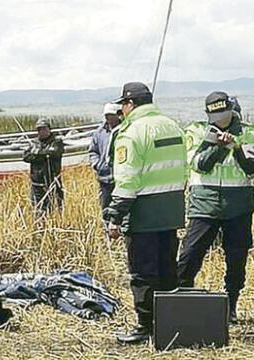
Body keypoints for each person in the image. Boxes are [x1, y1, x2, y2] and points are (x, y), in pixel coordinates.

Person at [102, 82, 187, 344]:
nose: (122, 111)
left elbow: (127, 182)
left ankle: (147, 327)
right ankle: (171, 323)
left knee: (143, 273)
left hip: (144, 215)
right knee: (167, 270)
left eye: (123, 105)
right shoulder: (172, 125)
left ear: (130, 104)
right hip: (171, 211)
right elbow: (183, 169)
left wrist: (114, 216)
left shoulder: (130, 132)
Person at [177, 91, 254, 324]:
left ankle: (231, 305)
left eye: (223, 113)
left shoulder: (249, 132)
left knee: (236, 258)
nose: (219, 118)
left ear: (232, 109)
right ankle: (182, 300)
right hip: (204, 203)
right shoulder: (196, 130)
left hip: (238, 205)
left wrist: (236, 147)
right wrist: (219, 147)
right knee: (189, 255)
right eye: (215, 114)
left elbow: (250, 169)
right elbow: (199, 165)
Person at [22, 118, 64, 216]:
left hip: (53, 182)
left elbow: (53, 153)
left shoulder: (57, 142)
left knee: (56, 209)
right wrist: (41, 155)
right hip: (37, 184)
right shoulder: (34, 143)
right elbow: (26, 157)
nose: (42, 131)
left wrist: (37, 153)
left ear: (49, 129)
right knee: (38, 210)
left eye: (44, 128)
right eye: (39, 129)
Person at [89, 103, 122, 211]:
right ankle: (106, 227)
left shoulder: (125, 130)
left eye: (112, 115)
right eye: (107, 116)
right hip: (104, 177)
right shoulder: (99, 133)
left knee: (121, 208)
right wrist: (97, 165)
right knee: (105, 207)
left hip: (121, 177)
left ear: (118, 115)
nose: (109, 118)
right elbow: (93, 151)